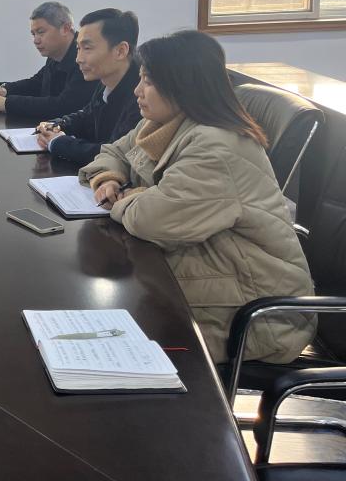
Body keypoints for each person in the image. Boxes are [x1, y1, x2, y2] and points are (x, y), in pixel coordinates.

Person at [79, 31, 314, 364]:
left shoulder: (216, 146)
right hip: (207, 282)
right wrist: (110, 178)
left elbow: (152, 219)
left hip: (253, 313)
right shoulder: (162, 124)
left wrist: (132, 196)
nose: (137, 90)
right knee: (101, 322)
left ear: (182, 85)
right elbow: (114, 151)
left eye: (148, 81)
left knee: (106, 348)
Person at [34, 8, 141, 167]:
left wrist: (58, 143)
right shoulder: (105, 81)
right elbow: (87, 115)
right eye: (78, 48)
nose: (78, 59)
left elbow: (115, 154)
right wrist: (57, 125)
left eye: (87, 48)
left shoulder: (142, 95)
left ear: (120, 51)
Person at [0, 1, 95, 121]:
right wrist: (5, 89)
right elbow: (37, 83)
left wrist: (8, 103)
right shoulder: (56, 53)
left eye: (41, 32)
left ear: (65, 28)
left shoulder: (85, 59)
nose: (36, 40)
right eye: (33, 34)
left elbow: (64, 106)